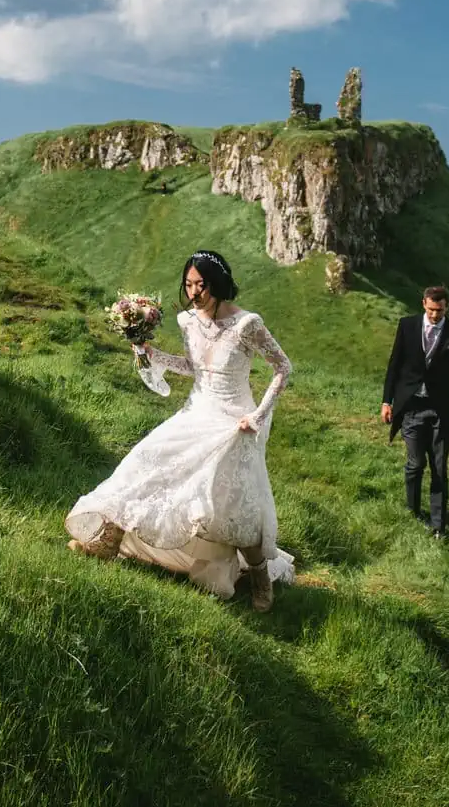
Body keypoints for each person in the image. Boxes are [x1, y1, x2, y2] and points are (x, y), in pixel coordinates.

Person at [64, 250, 295, 611]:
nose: (193, 293)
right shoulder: (187, 321)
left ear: (217, 284)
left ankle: (262, 580)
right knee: (145, 462)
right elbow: (194, 368)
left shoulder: (247, 323)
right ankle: (107, 542)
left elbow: (283, 367)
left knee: (236, 508)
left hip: (236, 421)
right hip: (197, 412)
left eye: (200, 285)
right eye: (188, 285)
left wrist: (259, 415)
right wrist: (151, 354)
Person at [380, 284, 449, 539]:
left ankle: (438, 525)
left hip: (440, 408)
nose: (434, 315)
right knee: (415, 463)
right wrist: (387, 401)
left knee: (439, 467)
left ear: (447, 307)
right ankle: (412, 511)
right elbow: (394, 365)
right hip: (411, 407)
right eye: (431, 310)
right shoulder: (407, 326)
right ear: (423, 304)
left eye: (439, 311)